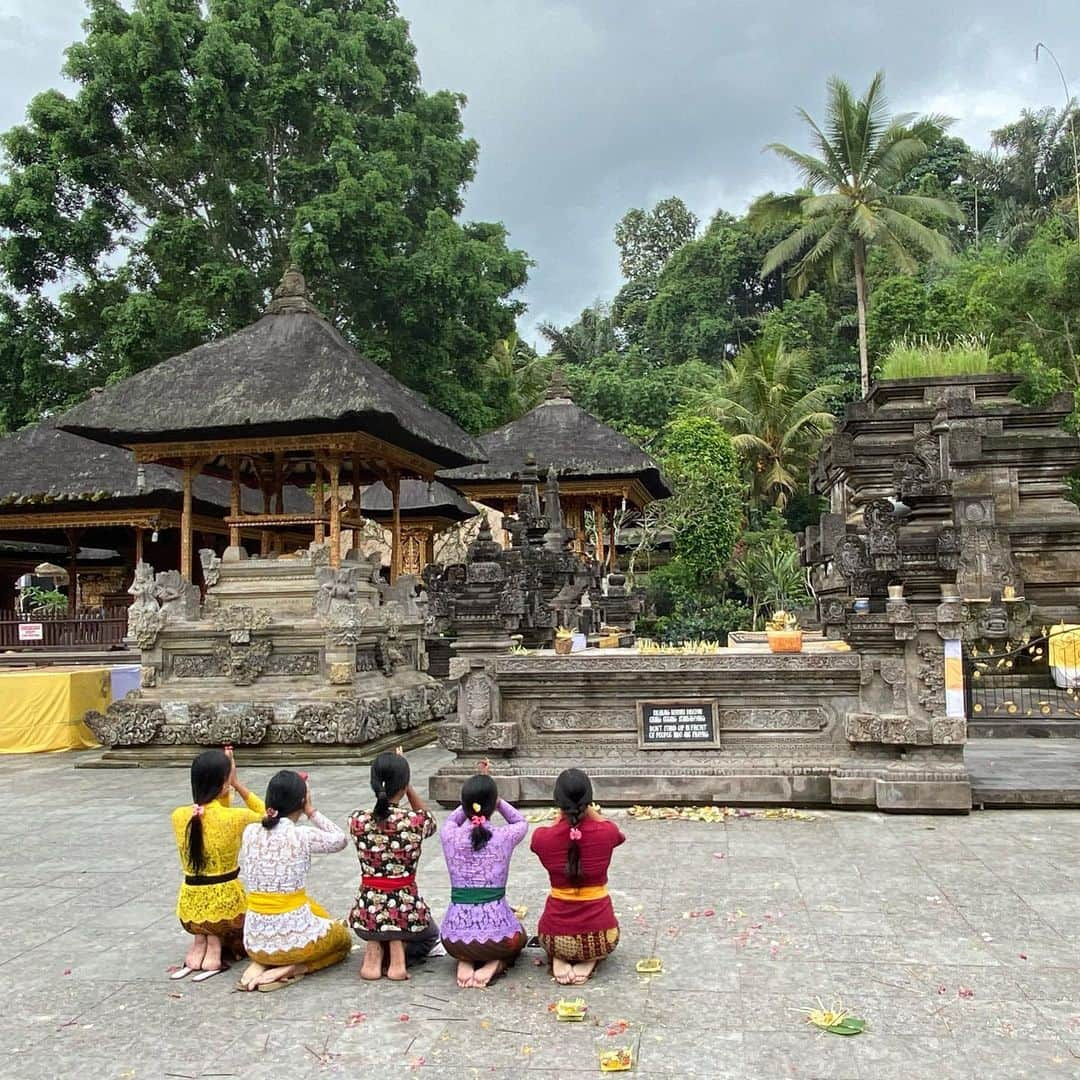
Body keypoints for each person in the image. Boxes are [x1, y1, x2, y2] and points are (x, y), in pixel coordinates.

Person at [236, 770, 351, 991]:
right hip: (293, 941)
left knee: (313, 910)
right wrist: (311, 811)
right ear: (301, 801)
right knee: (342, 941)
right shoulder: (301, 835)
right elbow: (340, 839)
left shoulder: (250, 831)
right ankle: (293, 968)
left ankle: (263, 962)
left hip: (253, 940)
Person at [169, 748, 264, 982]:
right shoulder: (235, 818)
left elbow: (214, 811)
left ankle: (199, 948)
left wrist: (225, 778)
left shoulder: (179, 816)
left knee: (203, 925)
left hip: (188, 908)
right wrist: (237, 783)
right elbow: (266, 814)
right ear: (223, 783)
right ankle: (213, 952)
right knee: (226, 918)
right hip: (227, 910)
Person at [348, 749, 438, 981]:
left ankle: (376, 946)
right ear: (404, 784)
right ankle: (397, 951)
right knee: (429, 935)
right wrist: (408, 786)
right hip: (407, 913)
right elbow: (429, 819)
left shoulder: (357, 820)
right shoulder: (415, 822)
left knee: (380, 920)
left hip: (365, 914)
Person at [530, 768, 625, 985]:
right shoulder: (607, 832)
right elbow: (619, 835)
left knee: (559, 941)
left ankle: (560, 956)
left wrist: (561, 818)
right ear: (589, 800)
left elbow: (537, 844)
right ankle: (590, 957)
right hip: (603, 936)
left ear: (557, 801)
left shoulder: (543, 837)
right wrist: (590, 811)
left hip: (553, 937)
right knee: (599, 940)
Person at [439, 770, 528, 989]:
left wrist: (470, 803)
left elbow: (452, 819)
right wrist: (497, 802)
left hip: (453, 939)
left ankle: (465, 960)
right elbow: (521, 821)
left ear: (465, 804)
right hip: (498, 941)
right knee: (519, 937)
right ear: (493, 805)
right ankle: (494, 963)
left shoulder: (449, 834)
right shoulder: (503, 836)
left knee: (469, 943)